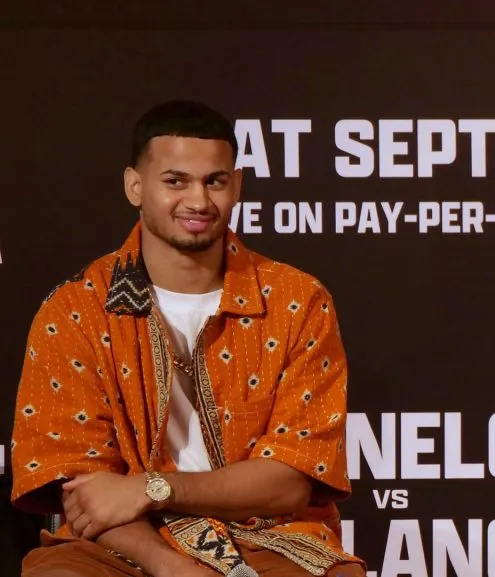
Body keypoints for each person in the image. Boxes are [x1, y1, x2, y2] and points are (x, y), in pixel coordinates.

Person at [10, 100, 366, 577]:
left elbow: (290, 481)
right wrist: (170, 566)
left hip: (268, 535)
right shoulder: (77, 309)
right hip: (119, 542)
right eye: (175, 181)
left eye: (214, 181)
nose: (198, 201)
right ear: (135, 186)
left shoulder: (297, 301)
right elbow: (82, 491)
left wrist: (153, 488)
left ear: (236, 186)